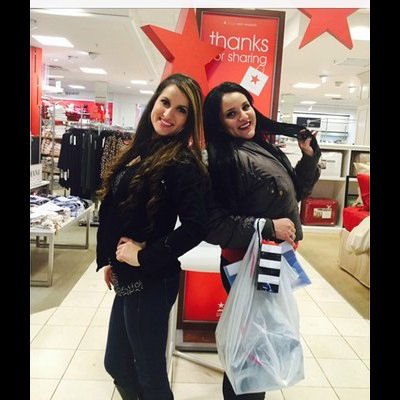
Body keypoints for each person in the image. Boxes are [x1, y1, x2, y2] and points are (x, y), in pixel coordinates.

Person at [203, 81, 321, 400]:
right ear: (219, 123)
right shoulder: (223, 160)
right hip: (248, 265)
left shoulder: (260, 147)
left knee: (259, 346)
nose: (243, 116)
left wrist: (309, 159)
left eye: (245, 107)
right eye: (231, 114)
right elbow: (213, 226)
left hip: (269, 261)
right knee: (252, 353)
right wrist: (269, 227)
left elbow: (294, 193)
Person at [96, 73, 209, 400]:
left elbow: (196, 226)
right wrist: (111, 259)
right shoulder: (141, 149)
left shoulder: (181, 162)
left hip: (152, 280)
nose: (169, 114)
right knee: (117, 363)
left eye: (181, 110)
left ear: (189, 120)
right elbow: (119, 209)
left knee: (150, 376)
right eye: (165, 102)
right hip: (129, 275)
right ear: (154, 102)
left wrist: (143, 256)